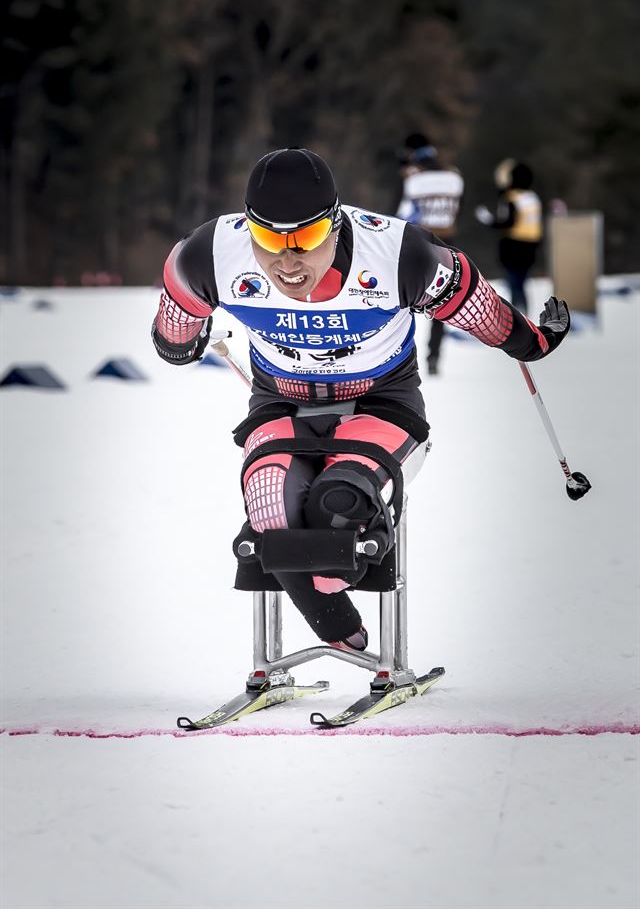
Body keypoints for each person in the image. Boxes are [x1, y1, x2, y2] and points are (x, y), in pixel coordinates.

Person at [151, 147, 569, 652]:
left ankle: (339, 607)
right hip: (280, 402)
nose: (288, 259)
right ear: (248, 226)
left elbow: (481, 311)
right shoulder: (210, 253)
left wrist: (536, 340)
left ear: (335, 222)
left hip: (380, 402)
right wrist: (182, 339)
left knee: (340, 501)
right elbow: (173, 333)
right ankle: (339, 631)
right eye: (267, 238)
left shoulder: (399, 254)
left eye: (305, 238)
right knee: (268, 503)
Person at [396, 133, 464, 375]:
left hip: (419, 243)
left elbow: (405, 216)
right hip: (448, 243)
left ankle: (401, 361)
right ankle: (434, 356)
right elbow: (456, 210)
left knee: (402, 300)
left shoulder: (414, 179)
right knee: (443, 301)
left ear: (411, 153)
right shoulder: (454, 176)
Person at [475, 158, 543, 313]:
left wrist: (489, 220)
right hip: (531, 246)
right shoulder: (533, 197)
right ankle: (525, 314)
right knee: (521, 283)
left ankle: (515, 316)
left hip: (513, 246)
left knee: (513, 283)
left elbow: (508, 223)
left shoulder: (511, 198)